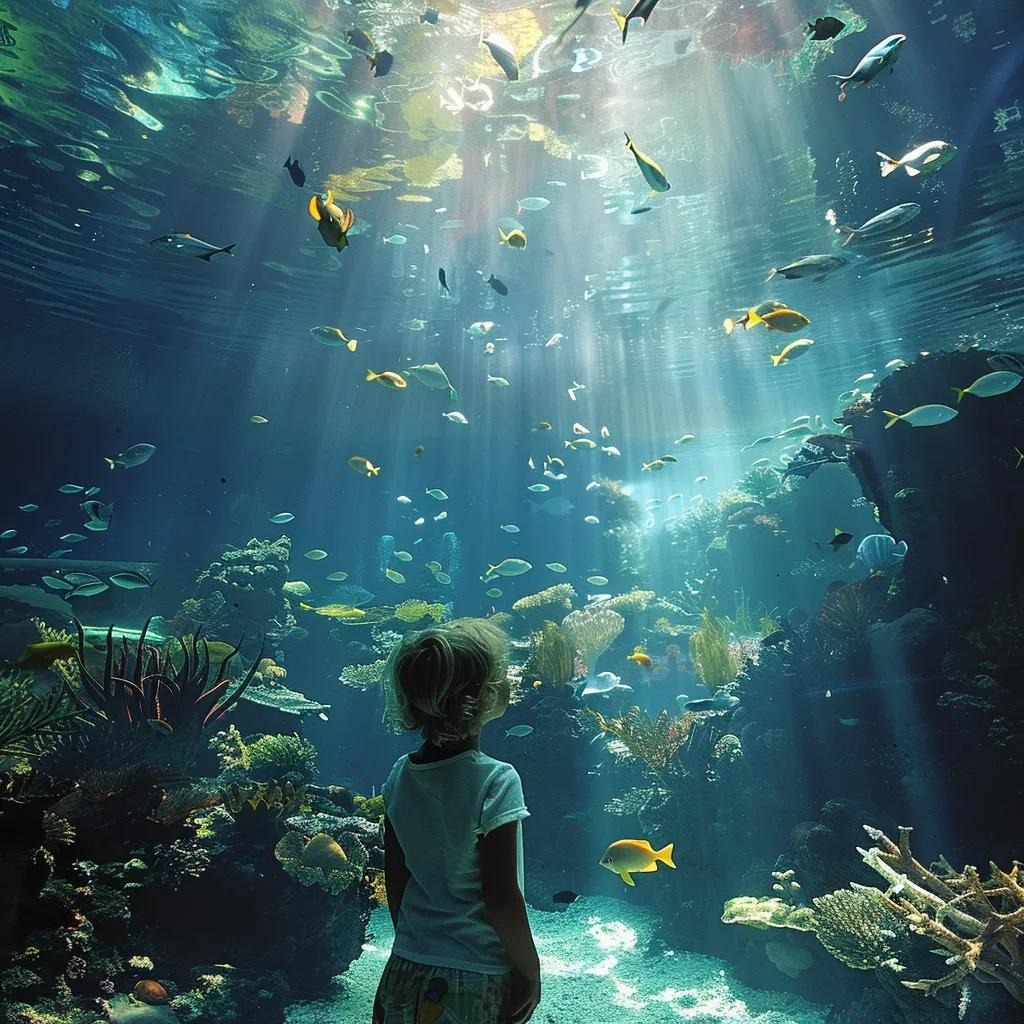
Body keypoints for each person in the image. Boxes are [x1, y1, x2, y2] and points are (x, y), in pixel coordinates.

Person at [373, 618, 540, 1024]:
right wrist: (530, 970)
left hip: (403, 970)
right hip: (475, 976)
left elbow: (396, 878)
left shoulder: (399, 775)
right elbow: (501, 897)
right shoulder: (496, 779)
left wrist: (417, 941)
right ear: (480, 697)